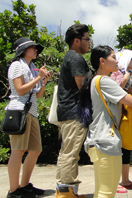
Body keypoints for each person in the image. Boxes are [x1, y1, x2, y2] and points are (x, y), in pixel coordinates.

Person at [77, 45, 132, 198]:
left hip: (98, 141)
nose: (117, 61)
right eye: (113, 57)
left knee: (101, 192)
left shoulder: (96, 80)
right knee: (107, 193)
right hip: (105, 142)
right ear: (102, 61)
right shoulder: (104, 81)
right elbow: (130, 101)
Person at [6, 37, 52, 198]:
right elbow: (19, 90)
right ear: (23, 50)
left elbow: (38, 95)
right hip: (19, 110)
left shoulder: (31, 67)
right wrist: (39, 77)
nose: (35, 50)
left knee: (35, 149)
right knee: (18, 151)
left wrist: (44, 81)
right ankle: (13, 191)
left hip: (31, 112)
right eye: (32, 47)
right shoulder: (16, 65)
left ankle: (24, 185)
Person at [55, 24, 91, 198]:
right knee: (71, 153)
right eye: (87, 39)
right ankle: (66, 193)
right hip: (74, 112)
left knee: (67, 152)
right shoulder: (75, 58)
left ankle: (65, 192)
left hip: (67, 111)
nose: (89, 43)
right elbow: (81, 86)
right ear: (77, 41)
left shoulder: (69, 57)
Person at [110, 49, 132, 193]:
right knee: (116, 148)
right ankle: (113, 182)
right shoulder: (116, 73)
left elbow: (131, 93)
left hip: (125, 114)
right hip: (115, 115)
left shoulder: (126, 74)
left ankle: (125, 179)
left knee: (126, 148)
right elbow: (114, 93)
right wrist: (125, 80)